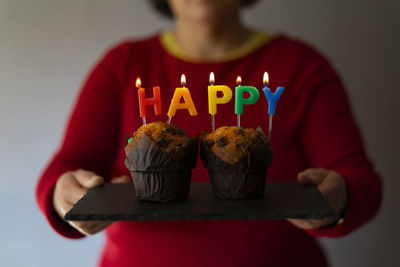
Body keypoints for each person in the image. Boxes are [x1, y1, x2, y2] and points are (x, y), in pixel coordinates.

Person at [36, 0, 382, 266]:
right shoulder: (122, 65)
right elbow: (65, 168)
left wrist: (340, 200)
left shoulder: (303, 66)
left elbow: (360, 181)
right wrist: (62, 197)